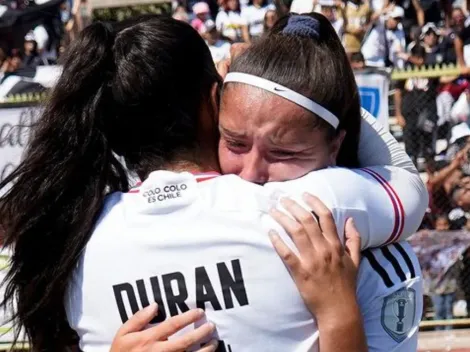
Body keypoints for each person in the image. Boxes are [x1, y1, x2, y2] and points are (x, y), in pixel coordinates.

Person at [1, 14, 424, 352]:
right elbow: (405, 186)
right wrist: (303, 94)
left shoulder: (75, 245)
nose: (253, 170)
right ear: (214, 99)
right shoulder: (304, 210)